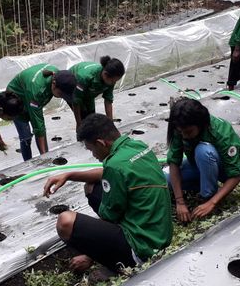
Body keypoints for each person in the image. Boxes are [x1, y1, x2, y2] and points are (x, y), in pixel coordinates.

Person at [44, 114, 172, 273]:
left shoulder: (114, 166)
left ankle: (106, 262)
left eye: (91, 149)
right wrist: (69, 175)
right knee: (91, 187)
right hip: (160, 235)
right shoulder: (136, 147)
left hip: (142, 250)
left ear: (100, 143)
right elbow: (107, 173)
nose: (93, 155)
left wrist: (90, 255)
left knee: (65, 221)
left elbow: (110, 215)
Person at [166, 98, 240, 222]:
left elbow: (237, 173)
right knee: (165, 179)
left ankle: (207, 195)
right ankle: (202, 185)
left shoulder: (220, 132)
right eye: (181, 132)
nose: (184, 136)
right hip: (200, 164)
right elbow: (174, 163)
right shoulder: (181, 127)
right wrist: (180, 202)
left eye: (188, 132)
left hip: (226, 169)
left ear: (200, 124)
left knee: (203, 151)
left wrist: (212, 203)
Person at [7, 63, 77, 161]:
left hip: (30, 93)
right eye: (60, 94)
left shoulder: (58, 76)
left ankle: (45, 156)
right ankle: (28, 163)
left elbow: (70, 101)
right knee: (26, 137)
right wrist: (45, 158)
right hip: (15, 101)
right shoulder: (37, 91)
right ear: (53, 84)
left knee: (40, 130)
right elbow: (38, 126)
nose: (61, 97)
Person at [69, 56, 125, 129]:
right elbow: (76, 102)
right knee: (84, 119)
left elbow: (108, 100)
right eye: (112, 81)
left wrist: (110, 124)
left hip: (88, 93)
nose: (114, 83)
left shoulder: (110, 79)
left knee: (92, 118)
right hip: (71, 88)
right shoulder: (85, 77)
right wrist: (79, 123)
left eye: (115, 81)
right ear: (105, 74)